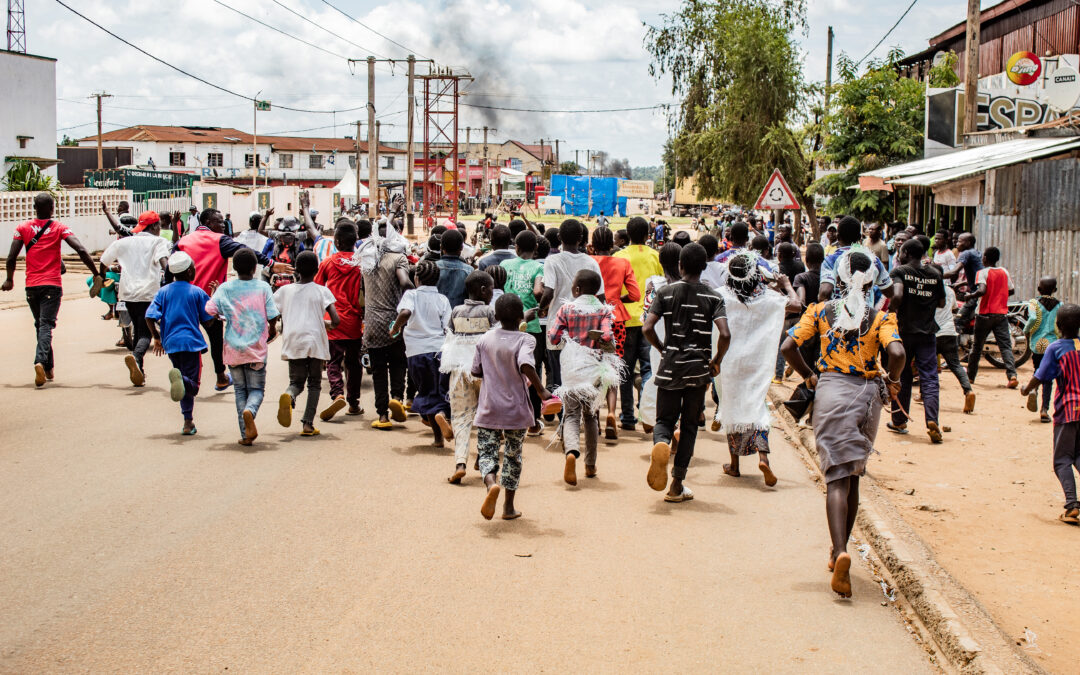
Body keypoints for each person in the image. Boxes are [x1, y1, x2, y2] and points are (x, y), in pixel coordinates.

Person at [781, 249, 905, 598]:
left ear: (836, 278)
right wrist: (892, 382)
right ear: (873, 282)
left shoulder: (820, 311)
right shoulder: (881, 318)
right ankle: (841, 549)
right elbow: (896, 354)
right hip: (868, 399)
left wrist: (808, 377)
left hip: (831, 392)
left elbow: (789, 346)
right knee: (852, 475)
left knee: (836, 478)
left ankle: (839, 551)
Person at [643, 243, 729, 503]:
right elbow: (725, 334)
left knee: (663, 420)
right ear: (704, 267)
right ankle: (677, 485)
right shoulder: (714, 297)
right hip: (697, 370)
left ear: (680, 265)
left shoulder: (666, 293)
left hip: (670, 366)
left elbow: (648, 327)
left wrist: (661, 348)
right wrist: (717, 360)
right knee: (690, 426)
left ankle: (662, 442)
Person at [176, 207, 288, 392]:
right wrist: (270, 263)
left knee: (187, 336)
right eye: (220, 222)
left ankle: (184, 375)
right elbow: (244, 251)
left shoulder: (183, 241)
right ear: (209, 223)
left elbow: (173, 264)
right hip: (209, 298)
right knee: (215, 339)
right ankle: (221, 377)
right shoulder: (220, 241)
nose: (223, 225)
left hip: (185, 299)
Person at [718, 251, 801, 484]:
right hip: (758, 363)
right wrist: (786, 284)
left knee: (731, 407)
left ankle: (734, 465)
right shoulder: (770, 299)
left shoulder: (721, 296)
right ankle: (764, 458)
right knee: (757, 407)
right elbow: (796, 305)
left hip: (730, 362)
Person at [3, 192, 103, 387]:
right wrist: (95, 273)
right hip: (52, 284)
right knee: (46, 325)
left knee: (40, 325)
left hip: (31, 286)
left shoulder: (22, 228)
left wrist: (9, 279)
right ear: (52, 209)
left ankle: (48, 369)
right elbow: (81, 250)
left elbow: (11, 258)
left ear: (34, 208)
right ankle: (40, 361)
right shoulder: (59, 228)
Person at [472, 294, 554, 520]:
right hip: (516, 411)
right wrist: (541, 390)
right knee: (513, 456)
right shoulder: (526, 340)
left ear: (495, 316)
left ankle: (490, 484)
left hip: (489, 408)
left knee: (487, 452)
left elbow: (475, 371)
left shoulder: (485, 339)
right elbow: (526, 363)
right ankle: (508, 507)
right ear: (520, 318)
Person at [548, 269, 618, 484]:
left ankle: (570, 452)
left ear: (577, 289)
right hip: (593, 367)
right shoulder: (604, 310)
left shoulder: (566, 309)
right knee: (590, 416)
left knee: (570, 414)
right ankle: (590, 464)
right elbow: (607, 336)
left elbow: (553, 337)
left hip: (570, 365)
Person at [205, 249, 280, 446]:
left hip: (233, 349)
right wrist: (271, 329)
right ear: (255, 268)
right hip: (256, 349)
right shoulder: (263, 287)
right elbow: (273, 315)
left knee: (240, 390)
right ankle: (251, 411)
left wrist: (222, 311)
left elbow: (209, 310)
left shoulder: (225, 288)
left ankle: (246, 434)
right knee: (256, 390)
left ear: (234, 268)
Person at [1020, 303, 1080, 524]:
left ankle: (1072, 504)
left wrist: (1026, 389)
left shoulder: (1056, 348)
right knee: (1078, 455)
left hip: (1068, 409)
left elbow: (1041, 374)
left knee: (1062, 459)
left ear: (1058, 325)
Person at [99, 211, 171, 387]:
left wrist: (101, 279)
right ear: (154, 226)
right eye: (159, 226)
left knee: (139, 330)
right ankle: (136, 356)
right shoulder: (158, 242)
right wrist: (171, 284)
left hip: (128, 294)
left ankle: (140, 369)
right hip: (149, 294)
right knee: (146, 332)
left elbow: (103, 262)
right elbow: (165, 265)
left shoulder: (124, 242)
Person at [146, 252, 214, 435]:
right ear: (190, 271)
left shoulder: (163, 291)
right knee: (193, 385)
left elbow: (149, 316)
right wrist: (214, 302)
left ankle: (188, 422)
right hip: (191, 343)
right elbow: (208, 321)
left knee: (183, 383)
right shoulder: (197, 292)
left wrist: (157, 337)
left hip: (171, 344)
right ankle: (182, 382)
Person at [886, 239, 946, 443]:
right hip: (927, 333)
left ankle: (899, 420)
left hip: (903, 331)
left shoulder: (900, 272)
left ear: (906, 253)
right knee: (929, 377)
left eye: (901, 251)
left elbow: (898, 294)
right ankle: (932, 419)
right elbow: (942, 302)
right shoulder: (935, 274)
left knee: (902, 376)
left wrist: (891, 311)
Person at [274, 251, 339, 437]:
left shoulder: (285, 291)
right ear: (317, 270)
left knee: (296, 381)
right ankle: (308, 424)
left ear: (296, 268)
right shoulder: (322, 290)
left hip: (294, 339)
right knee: (315, 383)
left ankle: (290, 395)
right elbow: (336, 319)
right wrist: (328, 324)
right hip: (315, 340)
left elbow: (270, 311)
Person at [390, 261, 452, 446]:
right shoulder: (443, 299)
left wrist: (395, 328)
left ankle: (438, 436)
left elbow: (406, 312)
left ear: (416, 278)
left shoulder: (411, 294)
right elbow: (448, 327)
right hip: (439, 351)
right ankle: (442, 416)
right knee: (440, 391)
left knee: (425, 390)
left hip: (416, 353)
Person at [539, 219, 605, 391]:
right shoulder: (591, 262)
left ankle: (563, 414)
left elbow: (548, 292)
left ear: (559, 237)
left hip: (558, 329)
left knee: (559, 377)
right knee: (584, 377)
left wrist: (541, 309)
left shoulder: (552, 261)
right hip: (586, 331)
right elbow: (602, 297)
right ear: (581, 238)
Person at [443, 271, 496, 483]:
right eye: (491, 289)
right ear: (483, 290)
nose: (493, 293)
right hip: (484, 372)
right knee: (487, 416)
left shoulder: (456, 312)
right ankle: (483, 455)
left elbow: (449, 337)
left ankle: (460, 463)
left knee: (461, 418)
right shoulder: (489, 312)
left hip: (459, 370)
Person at [360, 223, 414, 429]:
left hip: (372, 322)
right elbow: (405, 282)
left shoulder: (367, 261)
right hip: (395, 320)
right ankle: (398, 399)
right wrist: (417, 292)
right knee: (399, 362)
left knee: (379, 369)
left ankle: (382, 415)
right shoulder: (398, 259)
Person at [590, 226, 641, 438]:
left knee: (592, 367)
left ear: (592, 245)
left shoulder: (588, 262)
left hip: (592, 318)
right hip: (617, 320)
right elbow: (635, 294)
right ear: (612, 244)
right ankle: (612, 412)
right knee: (612, 366)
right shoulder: (623, 262)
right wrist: (618, 300)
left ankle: (595, 418)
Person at [613, 217, 663, 431]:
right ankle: (646, 413)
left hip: (623, 320)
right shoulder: (656, 256)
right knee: (648, 370)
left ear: (628, 235)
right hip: (649, 320)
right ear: (647, 235)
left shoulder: (619, 256)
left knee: (624, 370)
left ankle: (626, 417)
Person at [314, 220, 366, 420]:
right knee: (354, 363)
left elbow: (317, 288)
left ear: (336, 241)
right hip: (354, 321)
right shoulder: (362, 263)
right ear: (355, 242)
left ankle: (337, 393)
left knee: (333, 361)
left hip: (332, 319)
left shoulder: (327, 262)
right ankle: (354, 403)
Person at [502, 231, 547, 430]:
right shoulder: (538, 267)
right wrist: (541, 305)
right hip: (531, 325)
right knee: (532, 372)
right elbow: (538, 291)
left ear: (516, 248)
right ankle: (533, 420)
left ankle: (506, 417)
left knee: (506, 372)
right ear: (536, 249)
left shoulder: (505, 265)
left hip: (506, 325)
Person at [638, 243, 683, 433]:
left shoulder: (654, 284)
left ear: (660, 261)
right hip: (683, 339)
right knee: (681, 383)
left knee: (659, 381)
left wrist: (660, 347)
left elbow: (645, 317)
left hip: (659, 340)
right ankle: (676, 426)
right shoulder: (688, 286)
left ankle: (664, 427)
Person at [964, 246, 1018, 388]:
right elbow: (1011, 290)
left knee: (977, 347)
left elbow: (982, 290)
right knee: (1005, 346)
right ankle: (1012, 375)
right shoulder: (1004, 271)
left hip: (984, 314)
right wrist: (1000, 296)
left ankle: (970, 377)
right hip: (1001, 314)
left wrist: (971, 295)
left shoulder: (982, 272)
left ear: (985, 258)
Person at [818, 216, 893, 304]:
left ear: (837, 237)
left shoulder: (830, 260)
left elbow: (824, 293)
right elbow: (890, 292)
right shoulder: (873, 259)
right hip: (866, 314)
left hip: (839, 315)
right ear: (859, 237)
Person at [933, 270, 976, 414]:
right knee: (955, 365)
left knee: (928, 365)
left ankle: (924, 394)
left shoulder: (928, 289)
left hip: (933, 333)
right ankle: (968, 390)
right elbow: (954, 308)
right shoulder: (950, 291)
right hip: (950, 332)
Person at [1024, 277, 1062, 423]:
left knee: (1038, 370)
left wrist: (1026, 331)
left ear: (1039, 290)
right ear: (1055, 290)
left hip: (1038, 344)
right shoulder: (1060, 305)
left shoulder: (1034, 303)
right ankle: (1045, 410)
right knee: (1049, 377)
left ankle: (1033, 389)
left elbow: (1033, 319)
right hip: (1052, 345)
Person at [946, 232, 982, 331]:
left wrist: (936, 276)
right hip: (980, 291)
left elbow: (954, 271)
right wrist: (963, 283)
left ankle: (955, 345)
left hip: (976, 294)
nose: (956, 243)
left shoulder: (966, 253)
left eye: (960, 241)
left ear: (968, 243)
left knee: (958, 320)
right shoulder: (977, 252)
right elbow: (978, 275)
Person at [435, 229, 472, 309]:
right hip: (459, 318)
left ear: (441, 247)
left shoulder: (432, 268)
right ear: (462, 248)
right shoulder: (469, 271)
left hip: (435, 317)